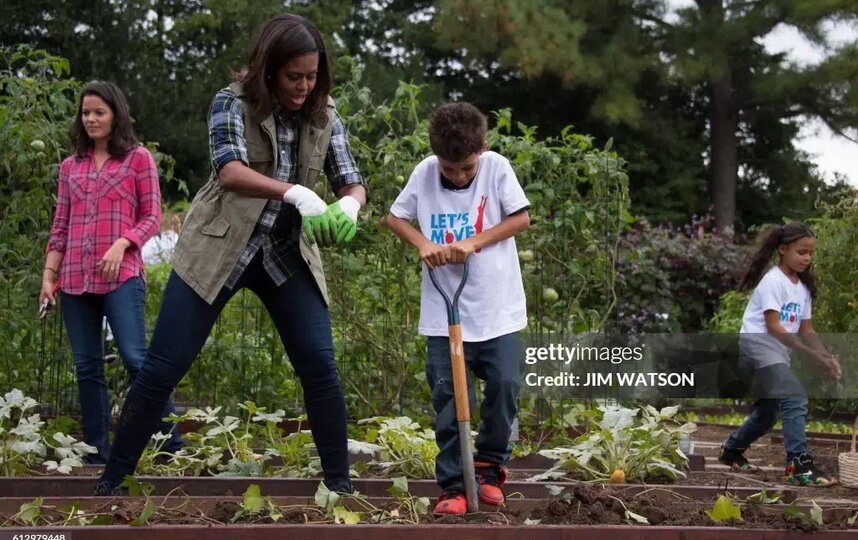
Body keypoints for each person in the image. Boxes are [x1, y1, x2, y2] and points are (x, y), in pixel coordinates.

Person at [94, 14, 365, 495]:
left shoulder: (325, 113)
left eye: (311, 76)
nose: (303, 86)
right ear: (268, 70)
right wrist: (297, 193)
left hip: (284, 254)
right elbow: (231, 171)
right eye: (293, 76)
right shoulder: (231, 102)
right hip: (219, 248)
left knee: (319, 365)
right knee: (163, 366)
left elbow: (352, 180)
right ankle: (113, 480)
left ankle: (340, 487)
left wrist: (348, 204)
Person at [386, 102, 530, 514]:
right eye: (450, 169)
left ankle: (488, 467)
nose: (459, 176)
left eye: (466, 168)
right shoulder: (425, 173)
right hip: (442, 314)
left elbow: (521, 219)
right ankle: (452, 487)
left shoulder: (497, 168)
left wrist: (475, 241)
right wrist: (423, 244)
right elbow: (395, 218)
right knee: (447, 399)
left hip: (496, 310)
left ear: (482, 149)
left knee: (504, 387)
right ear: (436, 157)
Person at [40, 81, 184, 464]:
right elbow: (60, 226)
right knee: (87, 367)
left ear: (115, 115)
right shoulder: (71, 167)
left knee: (136, 359)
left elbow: (152, 216)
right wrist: (48, 276)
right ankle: (96, 451)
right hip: (73, 278)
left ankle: (172, 443)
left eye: (98, 112)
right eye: (86, 113)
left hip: (121, 277)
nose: (91, 119)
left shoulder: (138, 159)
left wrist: (123, 244)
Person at [718, 222, 841, 486]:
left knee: (768, 412)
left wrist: (826, 357)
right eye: (801, 252)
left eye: (810, 253)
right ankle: (798, 465)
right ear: (783, 249)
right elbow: (774, 327)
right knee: (794, 396)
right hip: (757, 348)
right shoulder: (773, 281)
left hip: (776, 353)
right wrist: (811, 355)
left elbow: (807, 329)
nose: (807, 258)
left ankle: (731, 450)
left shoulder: (802, 287)